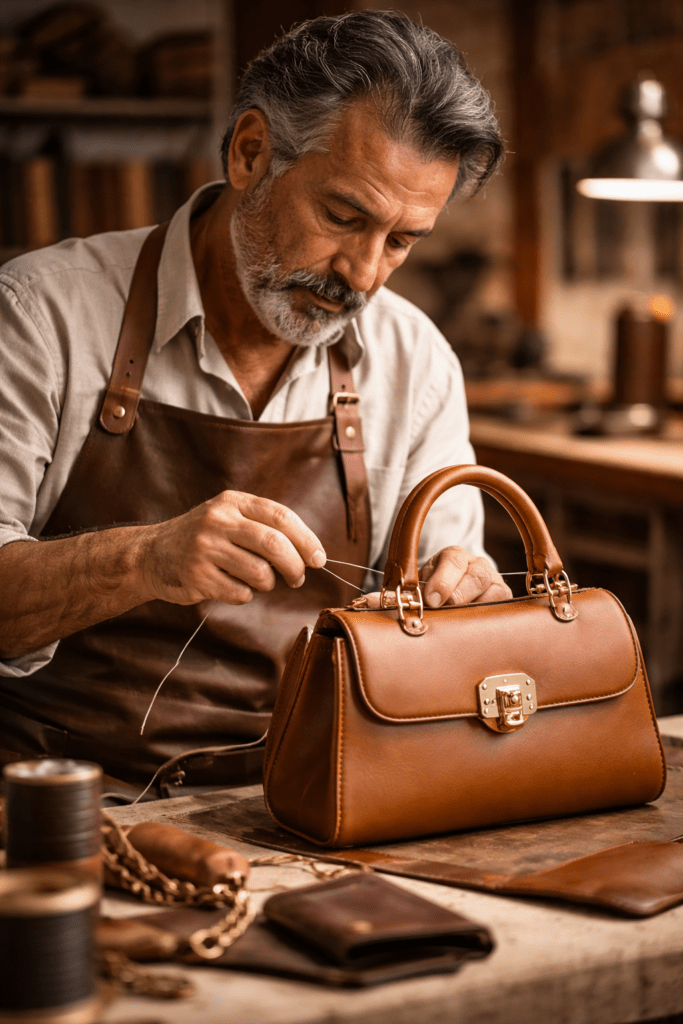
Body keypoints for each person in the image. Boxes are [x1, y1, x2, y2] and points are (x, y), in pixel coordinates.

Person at [0, 10, 509, 788]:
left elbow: (443, 624)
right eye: (343, 217)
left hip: (311, 794)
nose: (364, 275)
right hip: (57, 796)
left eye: (403, 241)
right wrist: (144, 558)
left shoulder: (416, 361)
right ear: (250, 153)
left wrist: (461, 610)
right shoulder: (39, 315)